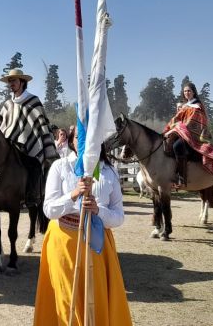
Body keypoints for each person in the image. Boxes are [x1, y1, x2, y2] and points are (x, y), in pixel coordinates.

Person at [33, 129, 132, 326]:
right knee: (66, 300)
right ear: (71, 141)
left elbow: (119, 217)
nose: (84, 140)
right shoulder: (60, 167)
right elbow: (49, 210)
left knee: (96, 300)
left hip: (97, 244)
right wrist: (73, 195)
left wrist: (98, 211)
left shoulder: (109, 172)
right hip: (63, 243)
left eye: (90, 135)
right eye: (79, 136)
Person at [0, 68, 58, 208]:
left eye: (14, 80)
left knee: (34, 164)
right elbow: (0, 125)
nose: (11, 83)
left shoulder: (33, 101)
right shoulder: (7, 104)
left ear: (22, 82)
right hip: (9, 145)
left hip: (27, 146)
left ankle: (33, 196)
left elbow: (41, 124)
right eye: (9, 81)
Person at [163, 82, 213, 187]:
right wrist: (167, 130)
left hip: (194, 135)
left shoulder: (197, 106)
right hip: (182, 133)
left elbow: (190, 125)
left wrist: (173, 131)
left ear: (193, 92)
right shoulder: (185, 106)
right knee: (166, 144)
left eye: (189, 91)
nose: (187, 93)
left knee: (177, 146)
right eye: (185, 91)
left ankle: (182, 179)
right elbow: (176, 120)